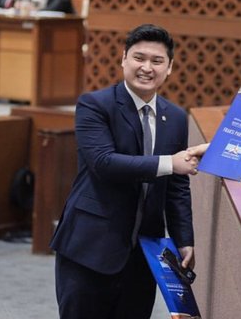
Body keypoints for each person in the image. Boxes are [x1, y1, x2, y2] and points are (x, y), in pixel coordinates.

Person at [50, 24, 198, 319]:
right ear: (123, 59)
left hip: (143, 254)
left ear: (169, 68)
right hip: (90, 246)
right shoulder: (95, 105)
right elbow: (104, 163)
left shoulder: (177, 117)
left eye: (157, 61)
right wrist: (169, 162)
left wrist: (184, 239)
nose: (146, 68)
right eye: (138, 58)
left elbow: (177, 187)